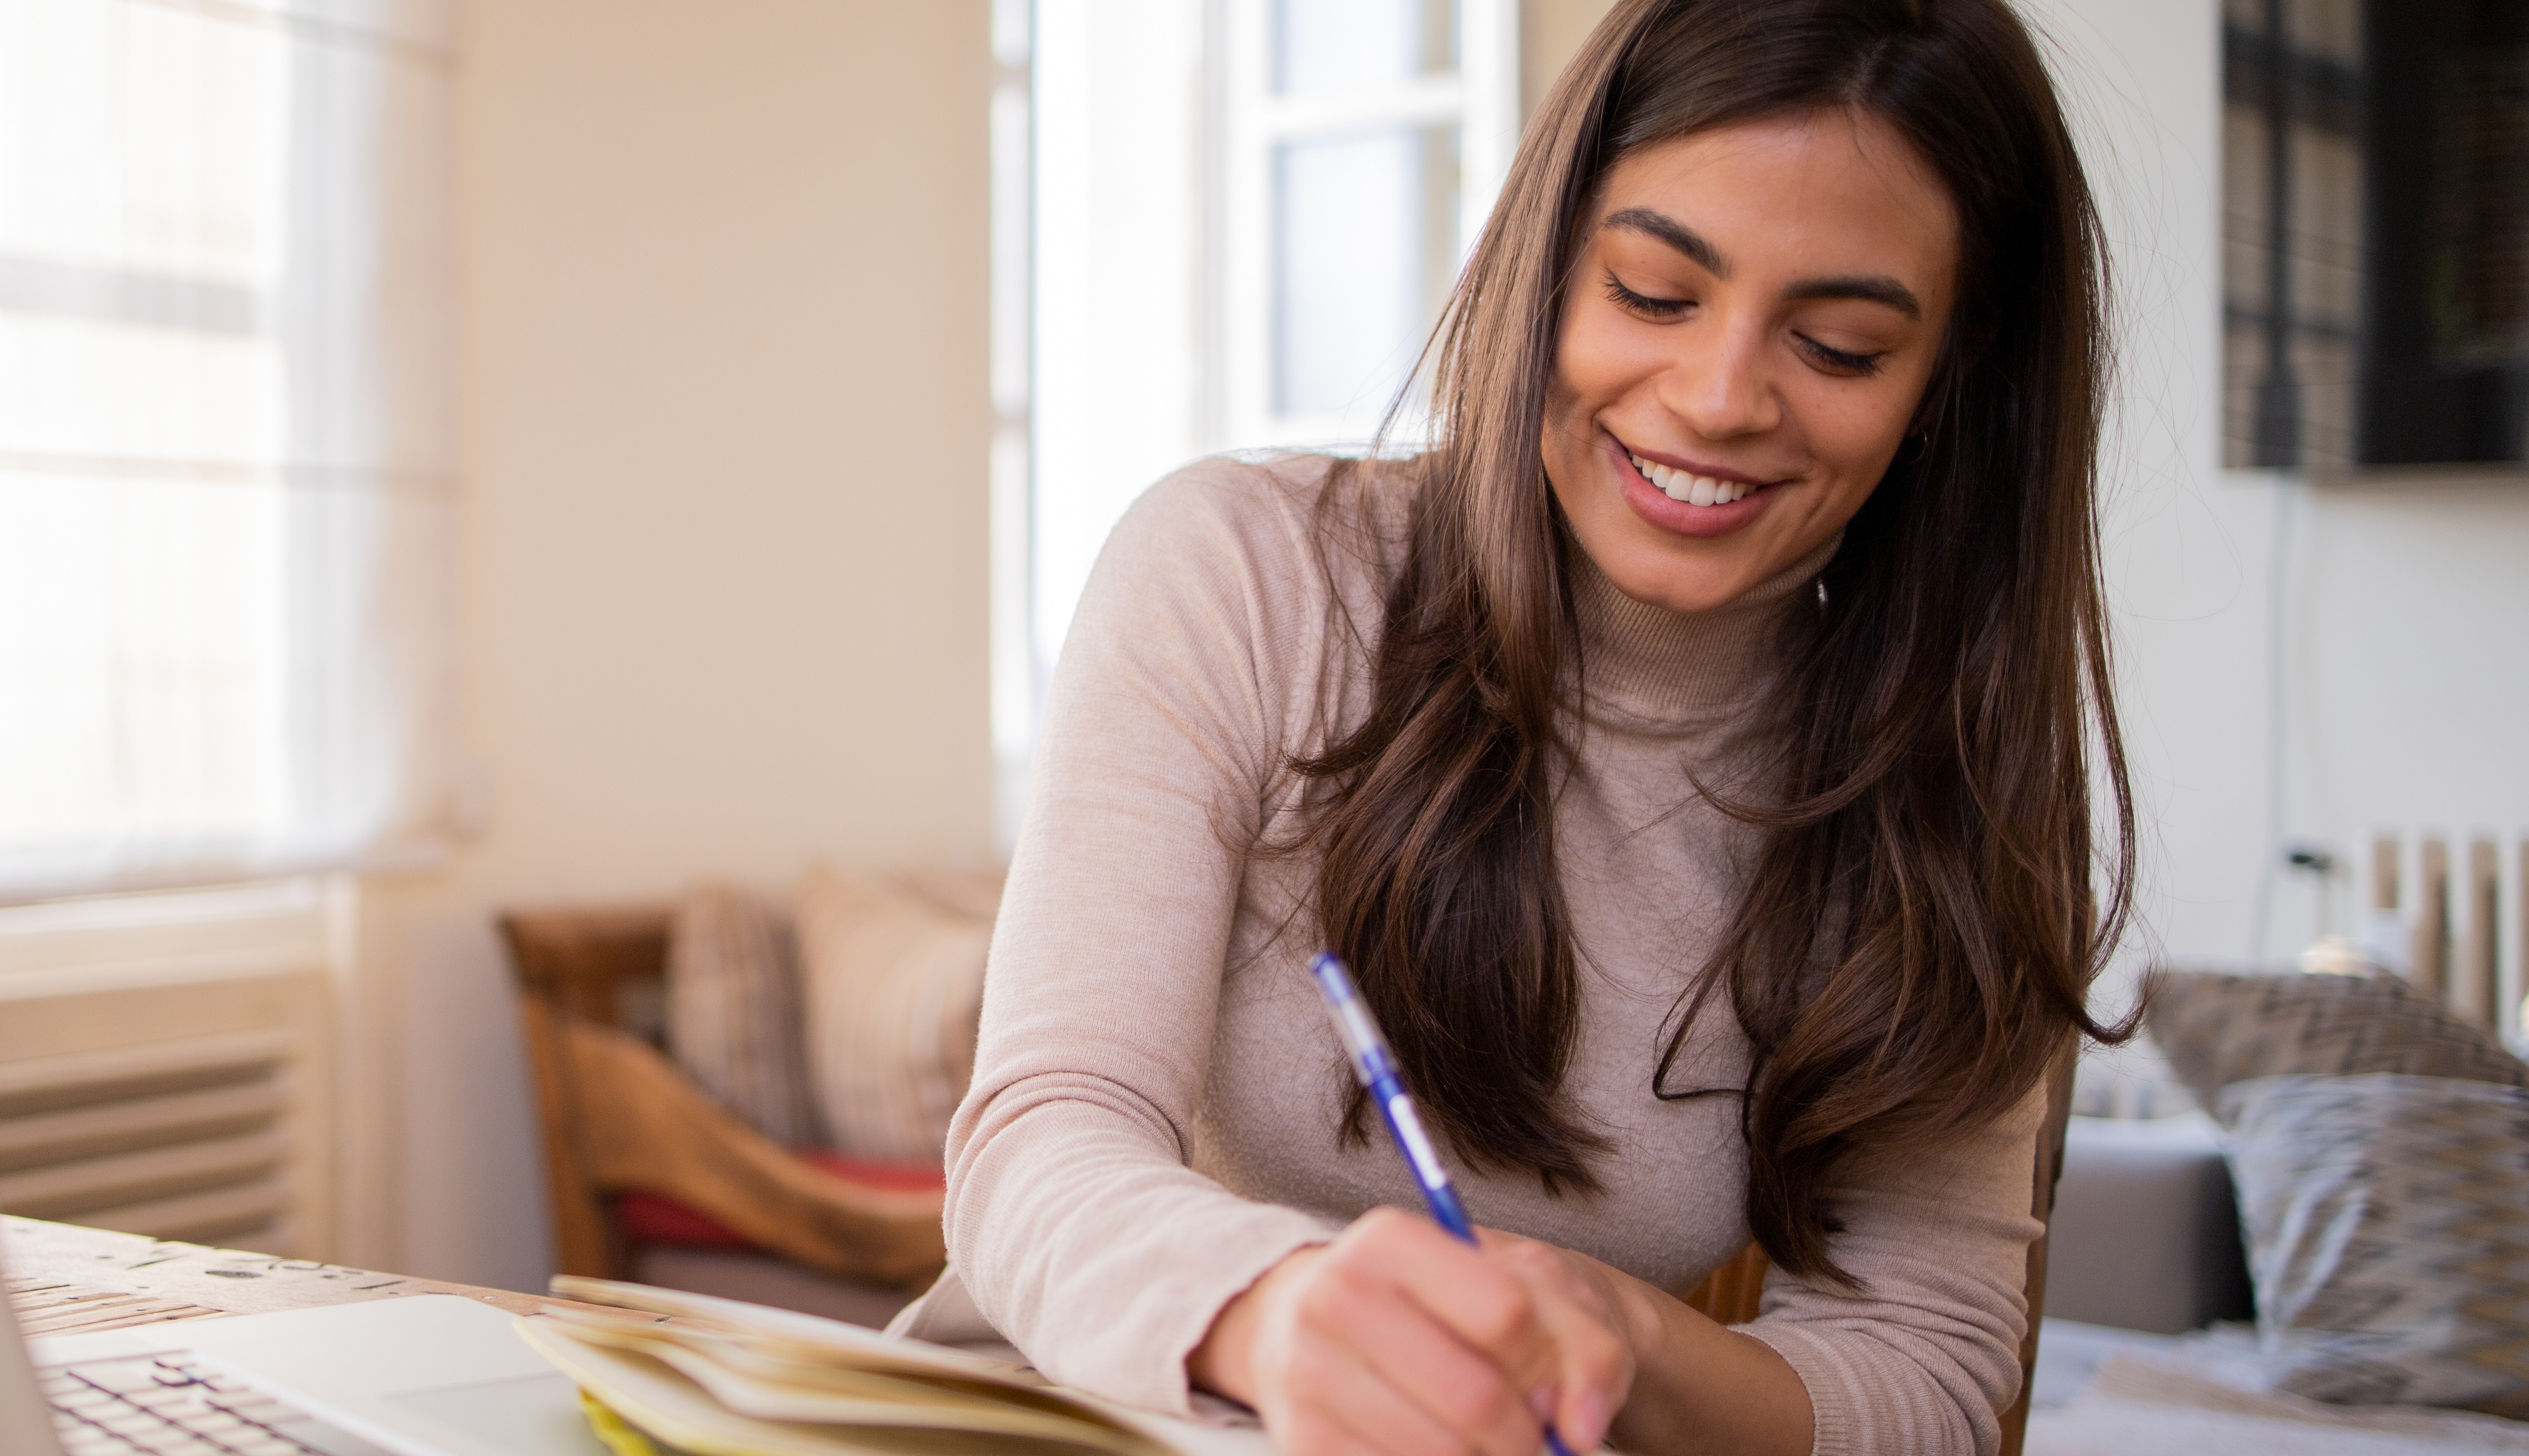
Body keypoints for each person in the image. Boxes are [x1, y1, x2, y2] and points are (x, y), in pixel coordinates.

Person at [886, 2, 2139, 1453]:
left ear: (1952, 381)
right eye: (1654, 295)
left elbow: (1929, 1365)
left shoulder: (1955, 785)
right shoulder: (1243, 572)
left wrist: (1619, 1335)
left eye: (1841, 346)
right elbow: (1042, 1140)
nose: (1718, 399)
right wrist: (1280, 1315)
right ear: (1543, 265)